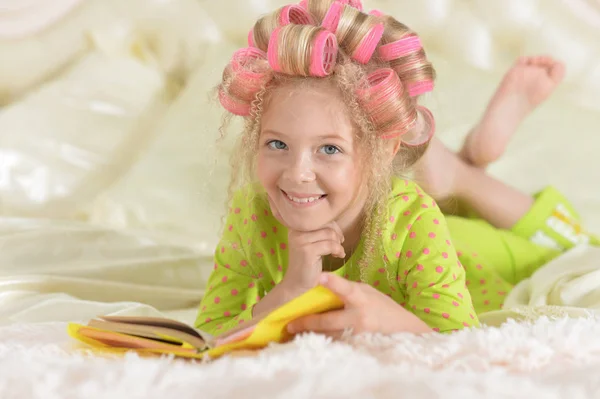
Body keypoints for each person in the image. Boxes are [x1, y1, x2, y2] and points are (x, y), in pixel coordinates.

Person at [194, 0, 598, 337]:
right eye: (277, 144)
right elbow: (208, 336)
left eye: (329, 148)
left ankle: (464, 175)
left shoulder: (413, 220)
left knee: (578, 249)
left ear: (385, 149)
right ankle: (459, 168)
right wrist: (290, 290)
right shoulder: (252, 211)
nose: (297, 173)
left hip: (473, 251)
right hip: (399, 210)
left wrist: (396, 323)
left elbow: (462, 344)